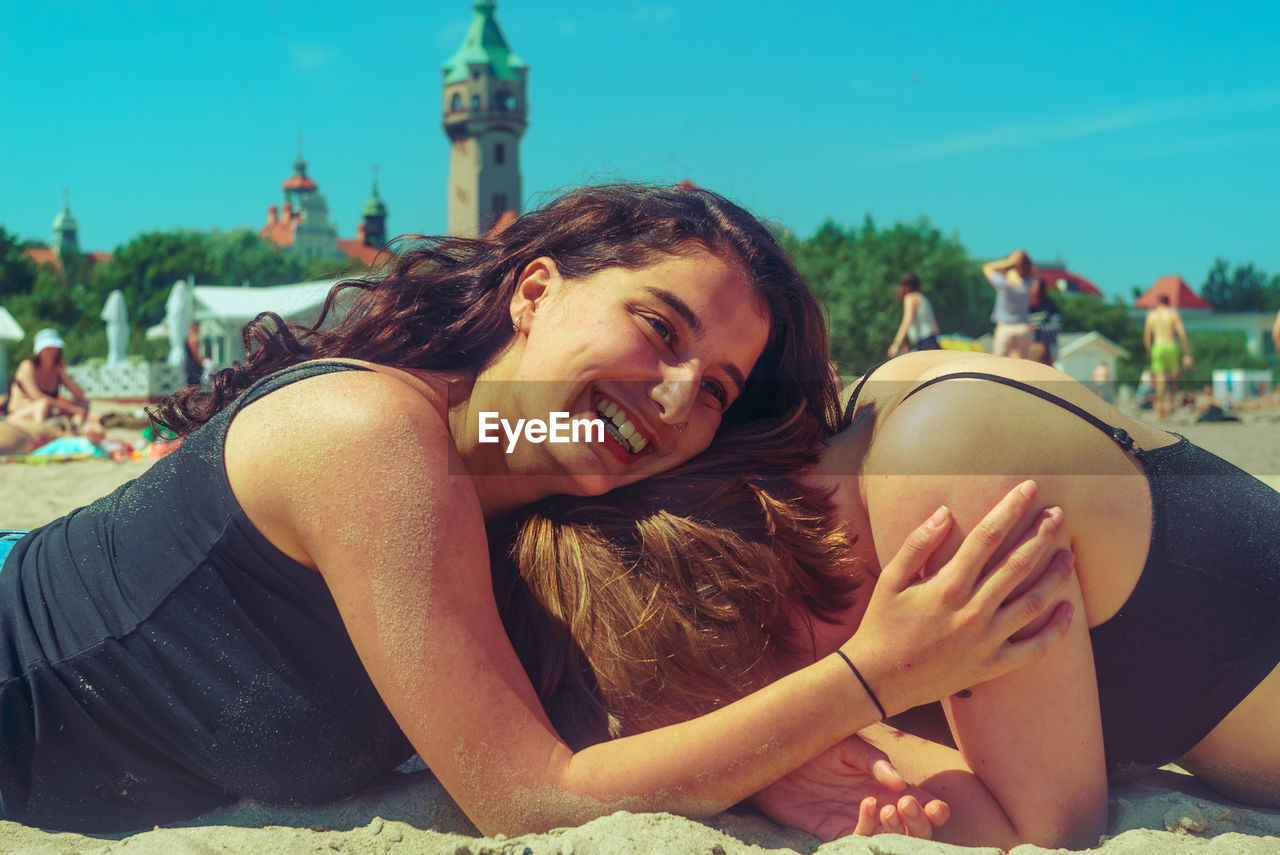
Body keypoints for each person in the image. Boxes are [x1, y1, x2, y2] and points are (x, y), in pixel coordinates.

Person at [0, 184, 1074, 836]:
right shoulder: (369, 439)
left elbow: (637, 741)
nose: (670, 400)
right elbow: (531, 799)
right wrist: (870, 675)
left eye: (714, 391)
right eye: (657, 327)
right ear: (534, 290)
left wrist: (804, 758)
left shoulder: (533, 507)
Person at [513, 348, 1280, 849]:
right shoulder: (881, 408)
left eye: (776, 678)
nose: (804, 691)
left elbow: (1051, 830)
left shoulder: (938, 480)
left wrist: (817, 741)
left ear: (757, 600)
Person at [6, 328, 103, 443]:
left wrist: (63, 374)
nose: (52, 352)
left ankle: (73, 431)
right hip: (22, 413)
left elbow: (80, 396)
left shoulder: (56, 369)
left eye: (55, 348)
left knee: (83, 404)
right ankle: (41, 434)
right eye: (48, 348)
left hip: (48, 413)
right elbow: (36, 396)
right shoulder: (28, 366)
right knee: (43, 404)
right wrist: (69, 408)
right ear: (39, 350)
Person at [1143, 294, 1193, 419]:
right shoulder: (1173, 314)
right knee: (1174, 377)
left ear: (1158, 302)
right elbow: (1182, 333)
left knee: (1160, 378)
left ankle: (1160, 408)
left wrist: (1149, 350)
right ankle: (1170, 405)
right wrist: (1187, 353)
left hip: (1158, 346)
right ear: (1169, 302)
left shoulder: (1151, 315)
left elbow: (1147, 336)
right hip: (1171, 345)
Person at [982, 250, 1035, 359]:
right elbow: (1033, 273)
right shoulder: (1029, 283)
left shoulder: (1003, 283)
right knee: (1025, 365)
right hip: (1023, 328)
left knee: (1000, 363)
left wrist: (1008, 262)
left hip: (1004, 328)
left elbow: (987, 268)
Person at [887, 273, 940, 357]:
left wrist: (896, 344)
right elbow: (936, 328)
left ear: (906, 286)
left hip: (923, 343)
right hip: (931, 342)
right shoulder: (923, 299)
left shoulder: (910, 298)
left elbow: (907, 321)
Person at [1026, 278, 1062, 366]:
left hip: (1047, 351)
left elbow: (1057, 328)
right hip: (1026, 350)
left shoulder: (1050, 306)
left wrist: (1037, 328)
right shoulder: (1022, 307)